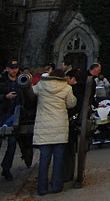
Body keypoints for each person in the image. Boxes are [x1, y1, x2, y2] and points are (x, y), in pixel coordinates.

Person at [32, 68, 77, 196]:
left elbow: (31, 93)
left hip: (44, 125)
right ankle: (56, 185)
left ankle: (42, 188)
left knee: (44, 158)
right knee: (58, 158)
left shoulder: (41, 85)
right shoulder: (66, 88)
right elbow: (71, 104)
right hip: (59, 125)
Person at [0, 59, 21, 182]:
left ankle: (6, 168)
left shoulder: (20, 81)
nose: (14, 70)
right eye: (12, 68)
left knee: (12, 144)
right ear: (7, 69)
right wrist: (5, 97)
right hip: (1, 113)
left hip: (14, 114)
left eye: (16, 68)